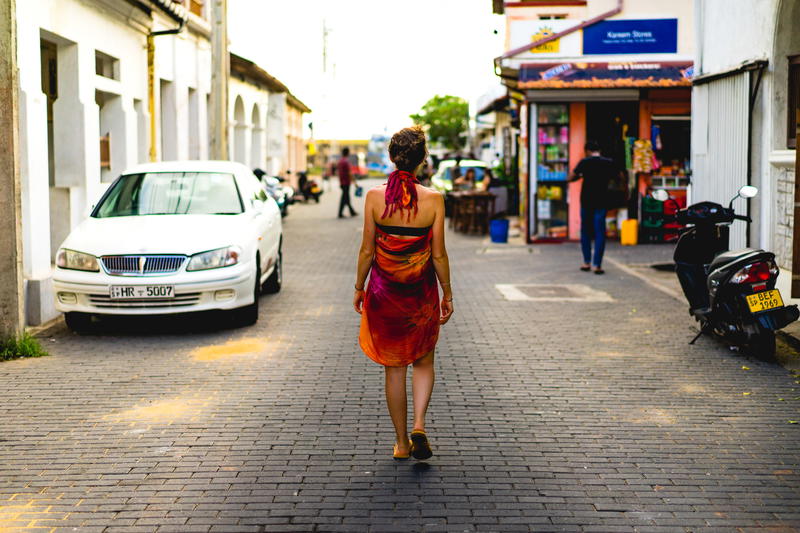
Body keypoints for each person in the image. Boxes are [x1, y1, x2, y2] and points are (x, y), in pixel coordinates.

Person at [353, 126, 454, 461]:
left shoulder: (373, 198)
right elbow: (438, 254)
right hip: (420, 294)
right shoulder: (434, 200)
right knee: (424, 359)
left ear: (392, 157)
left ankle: (401, 443)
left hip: (384, 293)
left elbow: (367, 251)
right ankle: (420, 424)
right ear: (423, 159)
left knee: (394, 368)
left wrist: (358, 287)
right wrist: (448, 293)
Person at [568, 140, 620, 274]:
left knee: (585, 231)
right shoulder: (608, 162)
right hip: (602, 201)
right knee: (600, 233)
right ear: (599, 150)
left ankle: (586, 262)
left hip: (586, 201)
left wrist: (580, 175)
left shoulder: (585, 162)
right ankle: (597, 265)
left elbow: (571, 177)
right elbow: (619, 177)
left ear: (587, 150)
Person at [337, 147, 358, 218]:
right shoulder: (346, 162)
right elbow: (350, 173)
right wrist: (355, 182)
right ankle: (348, 212)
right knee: (345, 198)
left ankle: (351, 212)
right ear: (348, 153)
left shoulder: (340, 161)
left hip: (342, 182)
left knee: (345, 197)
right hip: (346, 182)